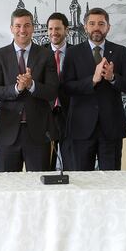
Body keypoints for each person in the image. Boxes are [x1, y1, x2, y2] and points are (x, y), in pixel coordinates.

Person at [62, 7, 126, 171]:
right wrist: (92, 80)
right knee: (82, 181)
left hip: (111, 129)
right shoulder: (72, 53)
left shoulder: (121, 52)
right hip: (81, 128)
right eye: (92, 23)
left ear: (108, 27)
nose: (96, 27)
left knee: (111, 182)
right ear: (85, 27)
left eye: (101, 24)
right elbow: (66, 87)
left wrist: (113, 78)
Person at [0, 8, 59, 172]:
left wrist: (31, 85)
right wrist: (17, 88)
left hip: (39, 133)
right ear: (11, 28)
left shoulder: (46, 55)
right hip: (7, 133)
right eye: (18, 26)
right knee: (7, 187)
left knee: (40, 186)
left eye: (27, 25)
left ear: (33, 28)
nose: (22, 30)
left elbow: (52, 91)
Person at [41, 12, 72, 170]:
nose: (54, 32)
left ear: (66, 29)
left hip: (72, 117)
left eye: (58, 28)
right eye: (51, 29)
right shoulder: (38, 54)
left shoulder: (78, 53)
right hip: (46, 118)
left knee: (74, 168)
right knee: (46, 168)